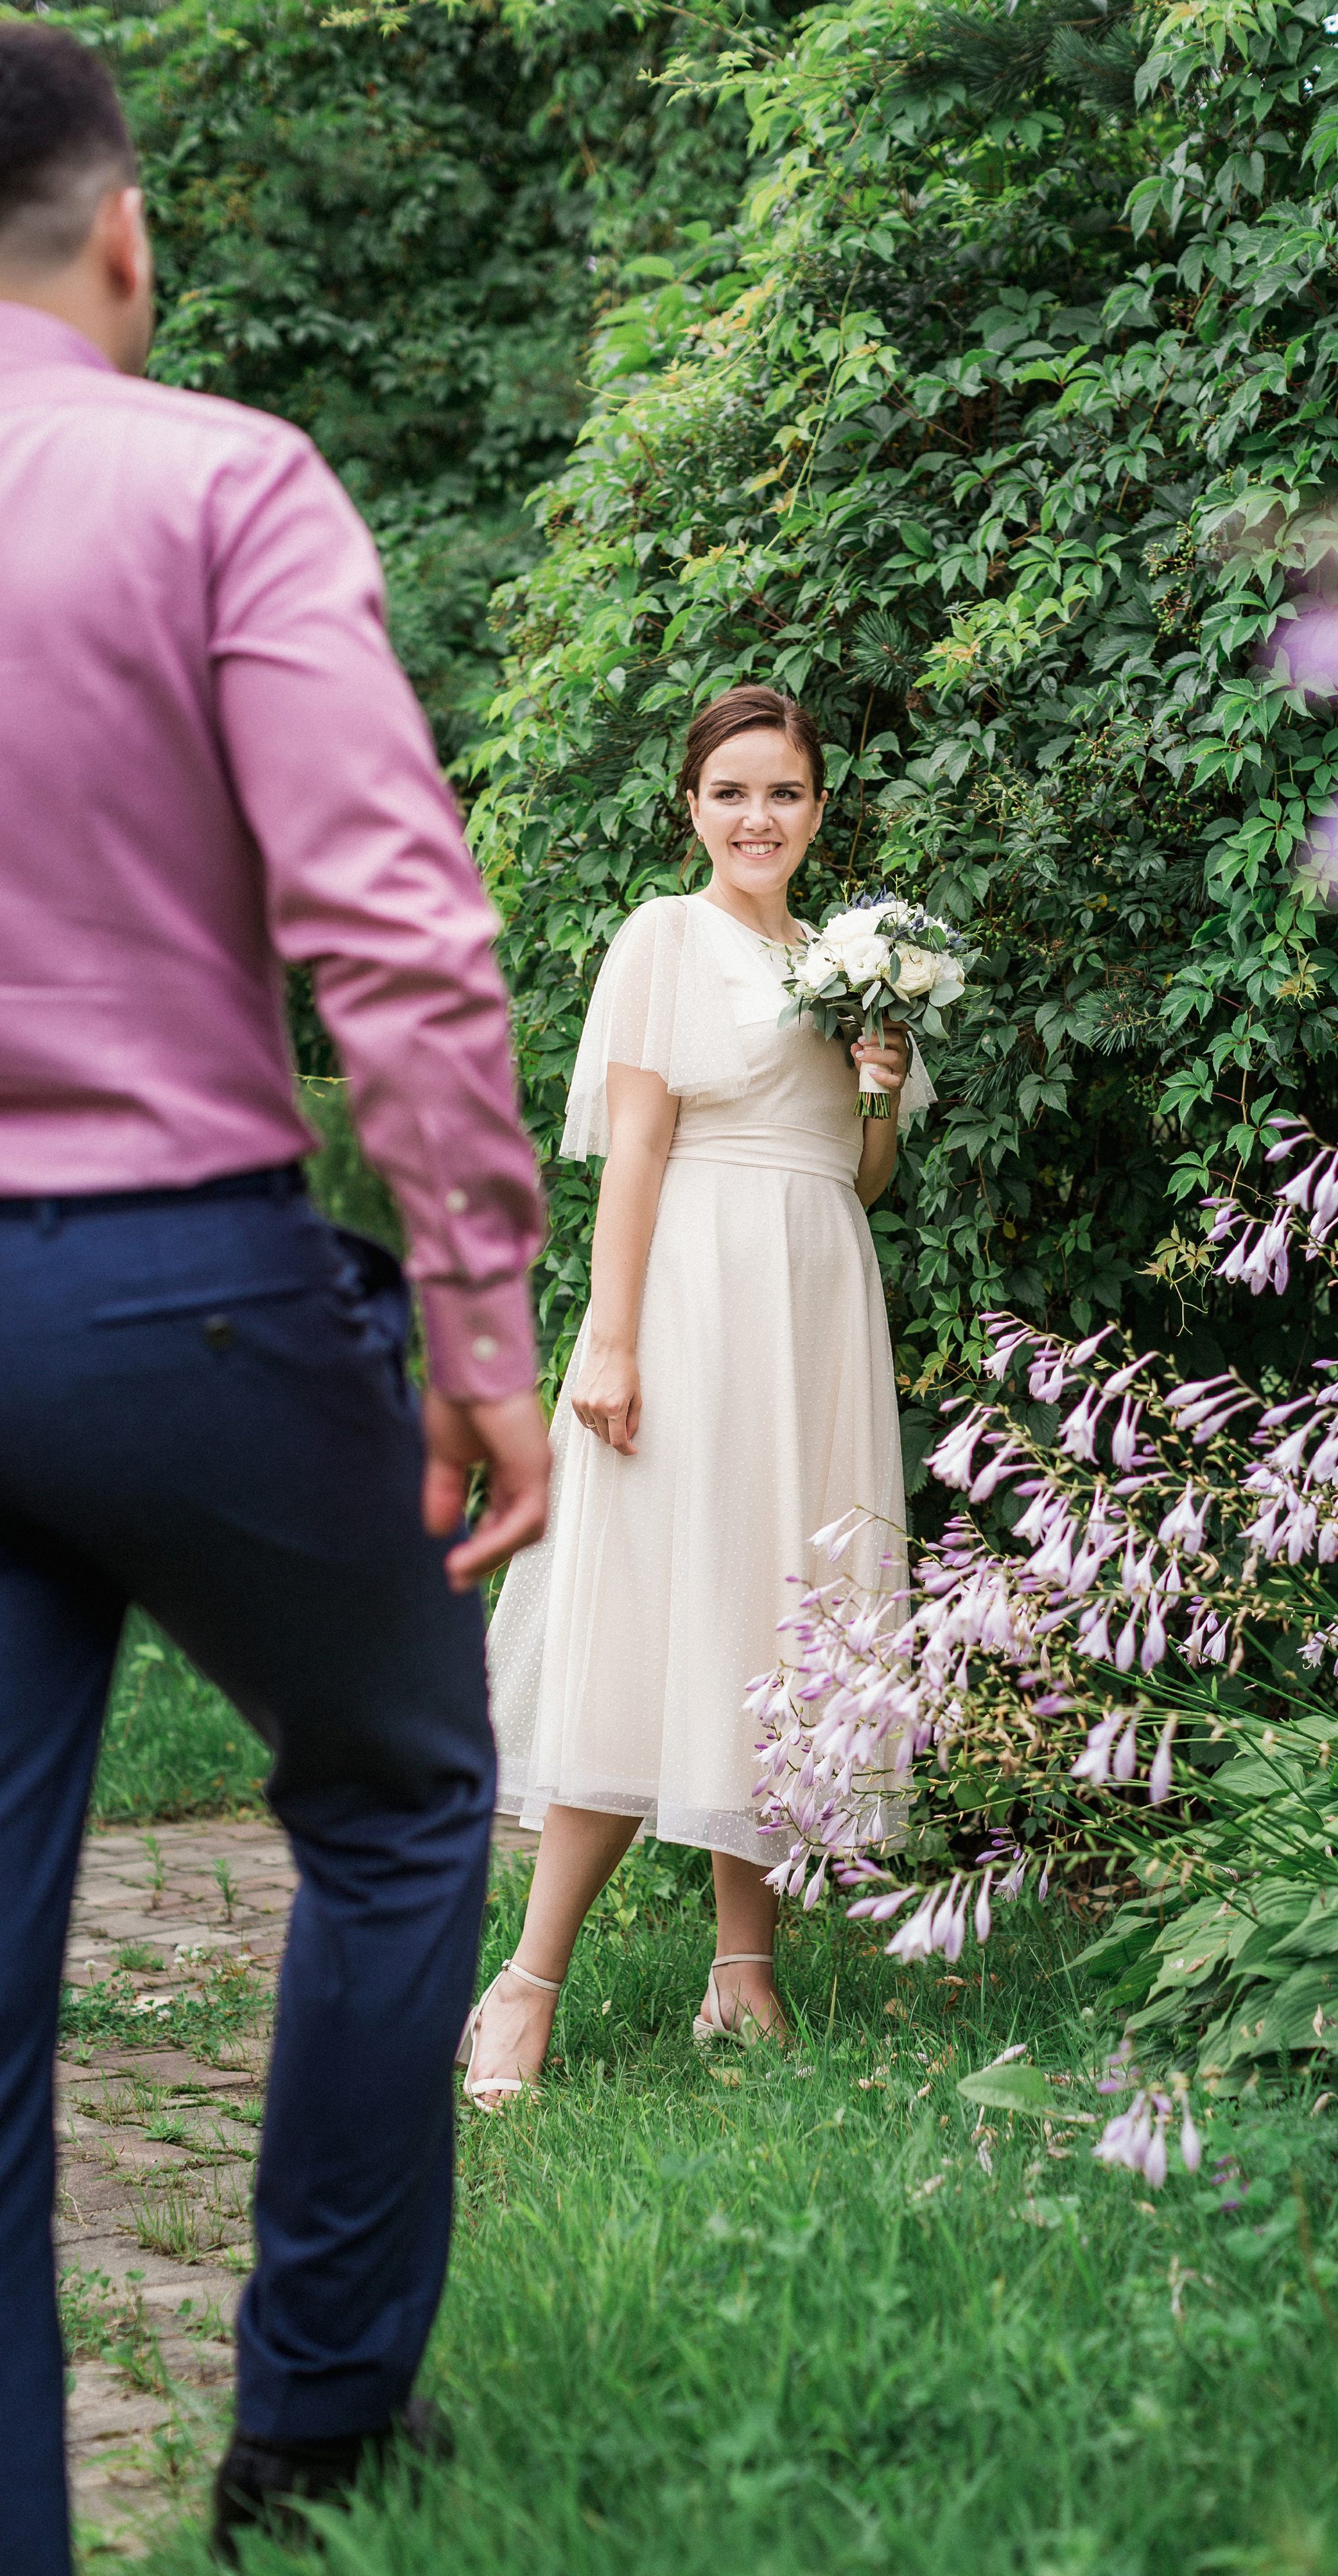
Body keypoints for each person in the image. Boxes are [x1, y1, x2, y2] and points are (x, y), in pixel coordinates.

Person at [0, 27, 554, 2571]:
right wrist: (479, 1328)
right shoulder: (215, 475)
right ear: (124, 240)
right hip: (180, 1291)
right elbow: (398, 939)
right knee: (409, 1781)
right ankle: (312, 2441)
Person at [468, 686, 927, 2101]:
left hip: (816, 1300)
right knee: (649, 1614)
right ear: (692, 806)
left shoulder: (858, 963)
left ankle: (743, 1978)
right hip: (687, 1298)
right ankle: (526, 1985)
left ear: (818, 810)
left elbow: (859, 1180)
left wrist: (875, 1086)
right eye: (731, 792)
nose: (756, 819)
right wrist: (607, 1340)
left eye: (782, 793)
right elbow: (636, 1156)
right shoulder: (663, 939)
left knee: (777, 1615)